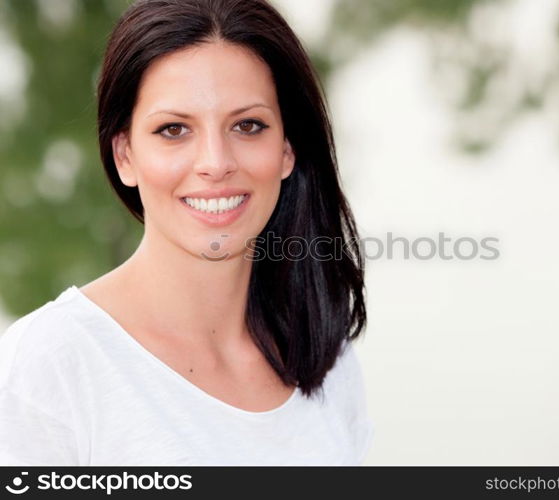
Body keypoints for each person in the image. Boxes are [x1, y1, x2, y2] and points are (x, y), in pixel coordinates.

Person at [0, 0, 373, 466]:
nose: (215, 163)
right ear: (125, 155)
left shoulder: (324, 353)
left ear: (286, 150)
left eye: (248, 125)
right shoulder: (48, 365)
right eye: (174, 129)